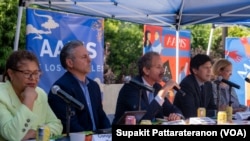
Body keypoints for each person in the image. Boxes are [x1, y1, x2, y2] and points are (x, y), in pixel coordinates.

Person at [48, 40, 111, 133]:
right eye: (84, 57)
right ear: (70, 63)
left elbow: (101, 116)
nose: (90, 60)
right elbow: (71, 125)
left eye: (88, 56)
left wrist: (108, 133)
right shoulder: (61, 88)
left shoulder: (93, 86)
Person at [0, 50, 62, 141]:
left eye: (36, 73)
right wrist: (28, 101)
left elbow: (57, 125)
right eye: (27, 73)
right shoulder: (1, 95)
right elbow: (13, 135)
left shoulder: (40, 93)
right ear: (11, 74)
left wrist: (36, 132)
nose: (33, 78)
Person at [112, 51, 184, 125]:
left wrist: (177, 115)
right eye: (158, 67)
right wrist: (163, 91)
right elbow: (144, 118)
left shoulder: (157, 87)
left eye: (163, 67)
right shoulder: (131, 87)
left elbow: (172, 109)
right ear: (146, 70)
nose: (163, 71)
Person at [173, 54, 217, 119]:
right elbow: (190, 113)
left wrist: (219, 110)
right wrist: (214, 112)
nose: (209, 71)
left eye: (210, 67)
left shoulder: (208, 84)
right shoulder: (187, 85)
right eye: (206, 68)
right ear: (195, 70)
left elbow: (211, 107)